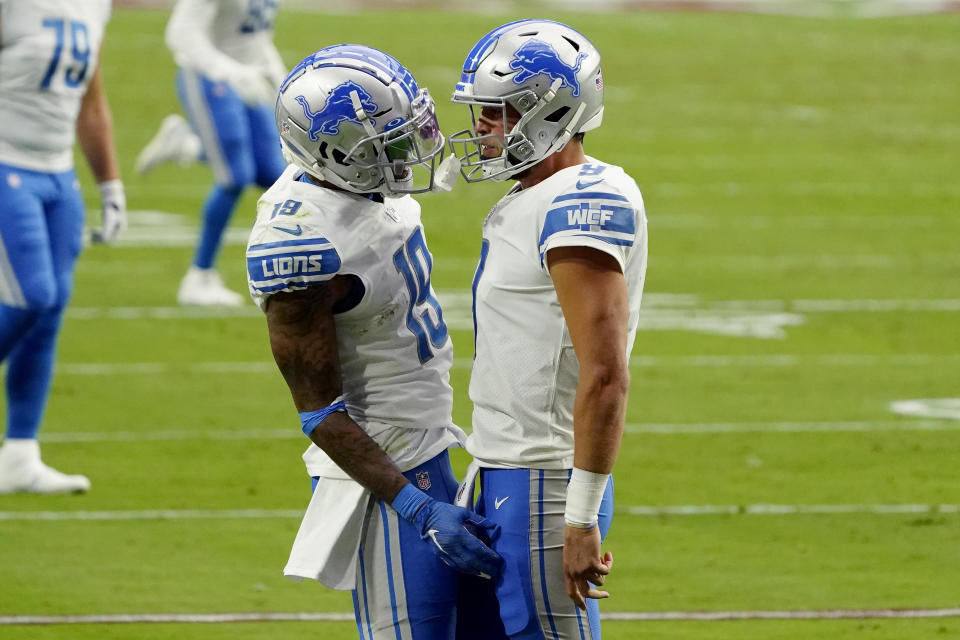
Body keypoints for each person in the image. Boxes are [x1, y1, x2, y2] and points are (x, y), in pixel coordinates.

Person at [247, 44, 502, 639]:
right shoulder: (301, 247)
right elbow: (319, 412)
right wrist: (411, 506)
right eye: (382, 147)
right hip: (384, 472)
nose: (403, 155)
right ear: (331, 154)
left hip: (429, 444)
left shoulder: (353, 189)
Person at [447, 19, 648, 639]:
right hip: (506, 468)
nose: (482, 128)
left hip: (545, 480)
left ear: (553, 113)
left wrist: (580, 515)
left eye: (498, 112)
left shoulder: (582, 199)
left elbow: (607, 373)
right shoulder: (535, 193)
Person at [0, 0, 126, 494]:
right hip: (5, 162)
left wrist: (109, 184)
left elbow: (90, 102)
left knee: (49, 312)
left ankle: (19, 455)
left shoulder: (93, 6)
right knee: (30, 295)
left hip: (57, 175)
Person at [136, 0, 287, 306]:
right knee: (234, 176)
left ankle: (188, 146)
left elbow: (256, 34)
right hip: (206, 75)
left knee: (274, 175)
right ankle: (199, 276)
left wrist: (281, 76)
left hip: (249, 76)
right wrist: (228, 71)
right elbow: (180, 33)